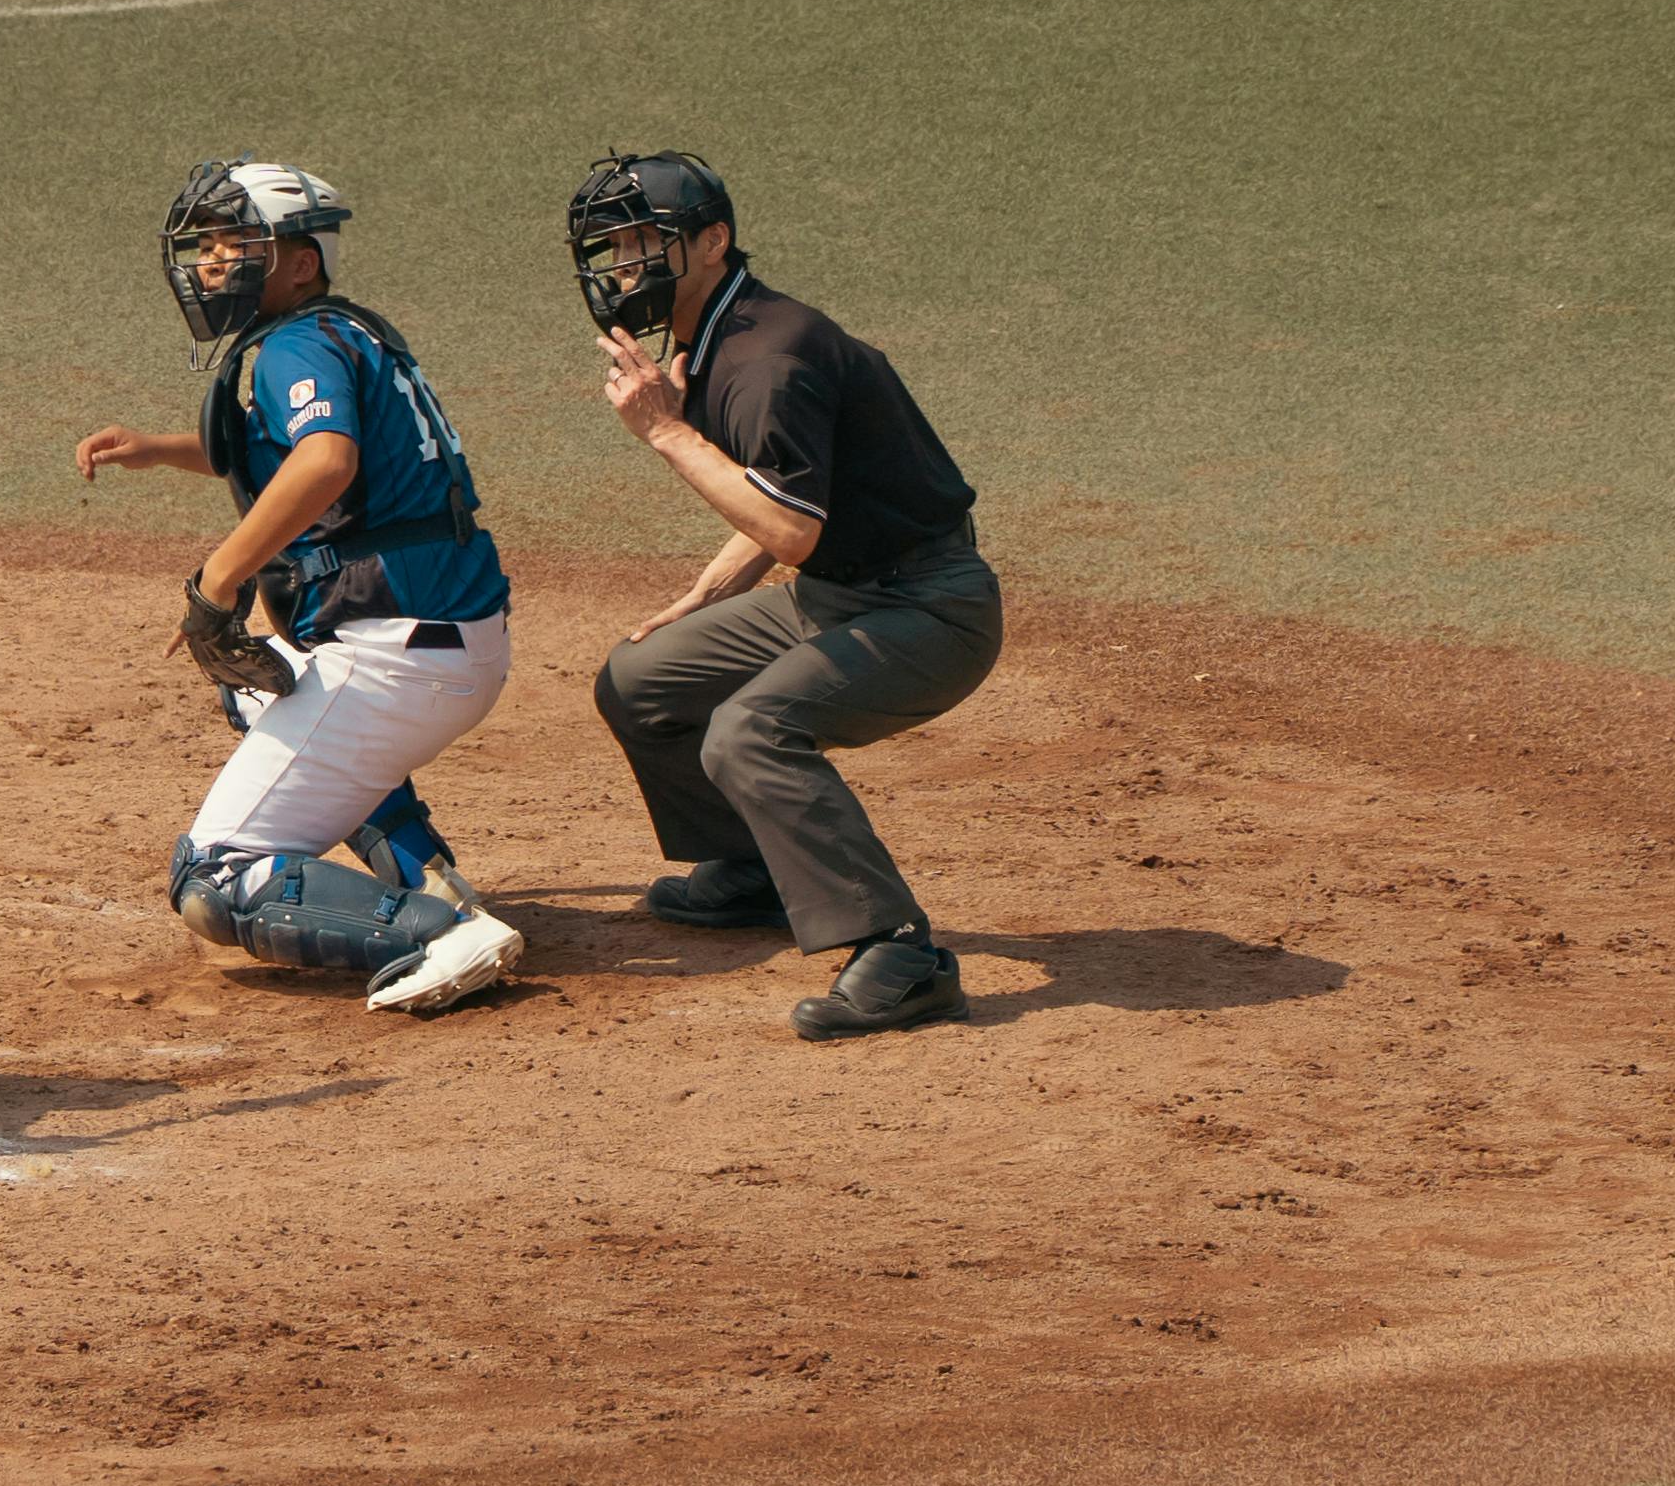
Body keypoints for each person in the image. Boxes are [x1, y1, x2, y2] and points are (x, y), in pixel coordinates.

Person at [560, 153, 1002, 1044]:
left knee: (750, 729)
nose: (624, 265)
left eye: (647, 242)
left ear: (712, 241)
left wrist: (665, 432)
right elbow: (790, 507)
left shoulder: (767, 355)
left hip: (931, 609)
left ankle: (899, 952)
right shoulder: (719, 333)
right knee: (641, 677)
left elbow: (792, 531)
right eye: (615, 247)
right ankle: (756, 866)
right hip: (845, 591)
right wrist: (705, 591)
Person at [73, 165, 525, 1020]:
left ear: (298, 260)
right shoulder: (340, 333)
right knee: (251, 680)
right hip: (443, 635)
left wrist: (219, 576)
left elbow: (325, 461)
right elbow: (286, 451)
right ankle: (422, 876)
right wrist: (162, 447)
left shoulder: (295, 344)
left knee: (214, 879)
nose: (208, 264)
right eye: (201, 248)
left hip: (398, 654)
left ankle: (436, 935)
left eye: (230, 245)